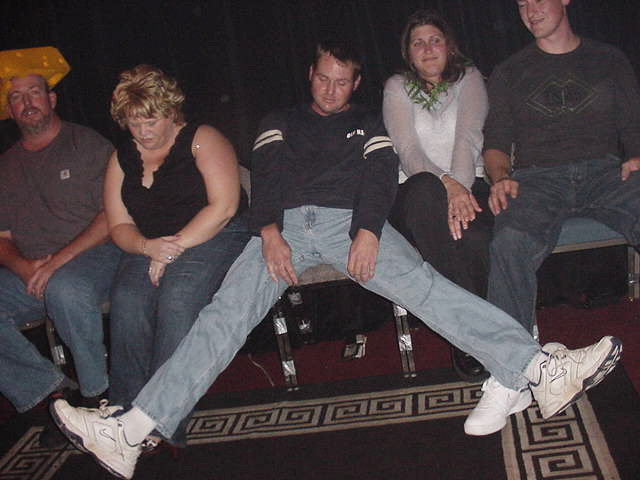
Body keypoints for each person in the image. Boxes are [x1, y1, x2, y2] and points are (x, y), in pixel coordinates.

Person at [50, 39, 622, 480]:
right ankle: (132, 430)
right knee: (222, 318)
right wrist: (269, 232)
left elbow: (379, 177)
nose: (330, 89)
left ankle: (540, 370)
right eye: (323, 78)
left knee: (426, 289)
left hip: (348, 224)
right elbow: (266, 177)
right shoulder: (278, 121)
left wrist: (368, 231)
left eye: (341, 81)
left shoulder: (367, 123)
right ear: (311, 75)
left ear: (355, 83)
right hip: (282, 229)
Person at [105, 65, 250, 448]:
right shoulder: (121, 158)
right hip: (152, 242)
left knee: (177, 299)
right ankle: (122, 411)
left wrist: (173, 249)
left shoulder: (203, 139)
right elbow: (118, 225)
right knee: (127, 299)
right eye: (134, 122)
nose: (143, 131)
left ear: (171, 111)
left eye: (151, 120)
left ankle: (159, 418)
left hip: (215, 233)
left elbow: (224, 207)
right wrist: (148, 247)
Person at [483, 0, 640, 334]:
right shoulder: (509, 71)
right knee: (509, 242)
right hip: (537, 178)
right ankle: (513, 358)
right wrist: (500, 178)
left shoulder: (609, 59)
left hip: (605, 173)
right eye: (522, 4)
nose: (530, 11)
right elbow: (495, 144)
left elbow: (633, 125)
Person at [0, 47, 120, 441]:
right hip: (35, 271)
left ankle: (97, 398)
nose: (26, 102)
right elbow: (1, 239)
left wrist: (57, 263)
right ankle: (52, 393)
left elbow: (113, 215)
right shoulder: (5, 166)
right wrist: (23, 267)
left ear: (51, 99)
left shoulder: (86, 144)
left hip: (97, 257)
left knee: (65, 287)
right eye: (16, 97)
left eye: (34, 92)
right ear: (9, 109)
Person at [383, 10, 492, 381]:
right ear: (408, 53)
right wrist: (447, 185)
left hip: (470, 185)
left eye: (435, 40)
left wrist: (459, 189)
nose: (428, 48)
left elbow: (469, 138)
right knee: (426, 190)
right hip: (415, 193)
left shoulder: (469, 79)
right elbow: (407, 149)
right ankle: (472, 333)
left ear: (449, 46)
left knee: (474, 239)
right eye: (418, 43)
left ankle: (466, 336)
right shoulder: (397, 87)